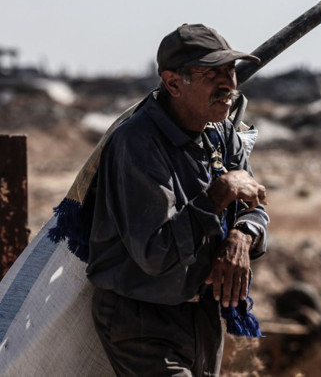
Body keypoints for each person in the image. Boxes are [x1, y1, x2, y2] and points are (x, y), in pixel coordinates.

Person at [86, 23, 270, 376]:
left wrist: (241, 236)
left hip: (201, 314)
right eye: (212, 74)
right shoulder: (138, 143)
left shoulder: (221, 133)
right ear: (172, 83)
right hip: (143, 318)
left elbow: (256, 207)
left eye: (230, 70)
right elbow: (157, 252)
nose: (230, 84)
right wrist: (219, 193)